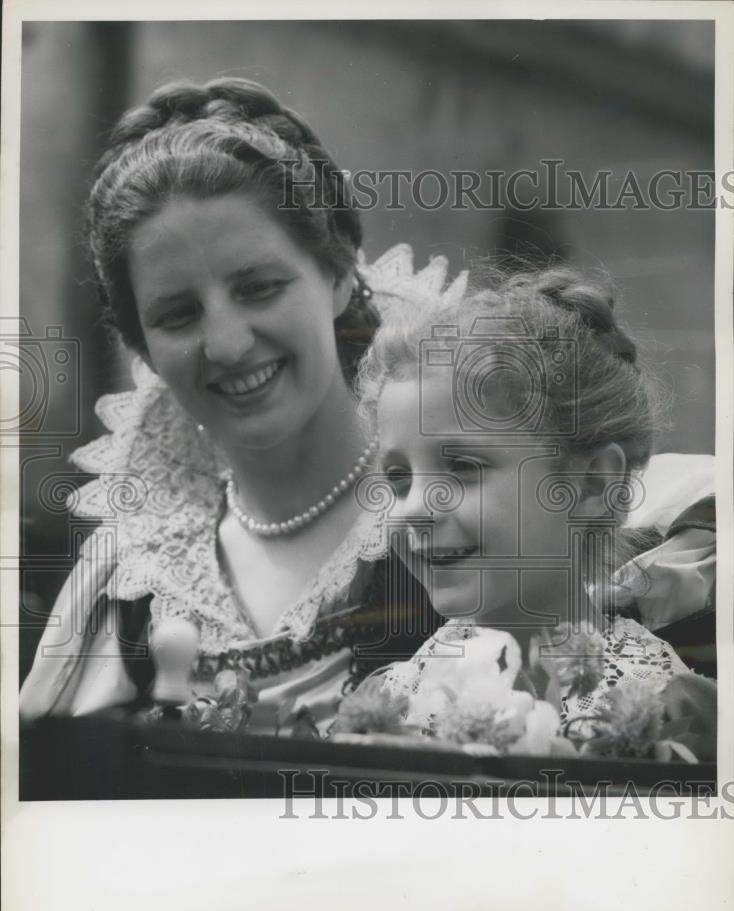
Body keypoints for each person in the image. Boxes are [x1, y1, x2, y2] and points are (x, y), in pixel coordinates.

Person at [19, 78, 460, 736]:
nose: (226, 344)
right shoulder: (128, 583)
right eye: (177, 314)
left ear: (338, 274)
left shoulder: (464, 510)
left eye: (258, 287)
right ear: (141, 343)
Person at [354, 265, 714, 735]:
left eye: (463, 467)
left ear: (591, 485)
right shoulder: (394, 703)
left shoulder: (651, 721)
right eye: (399, 478)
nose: (416, 508)